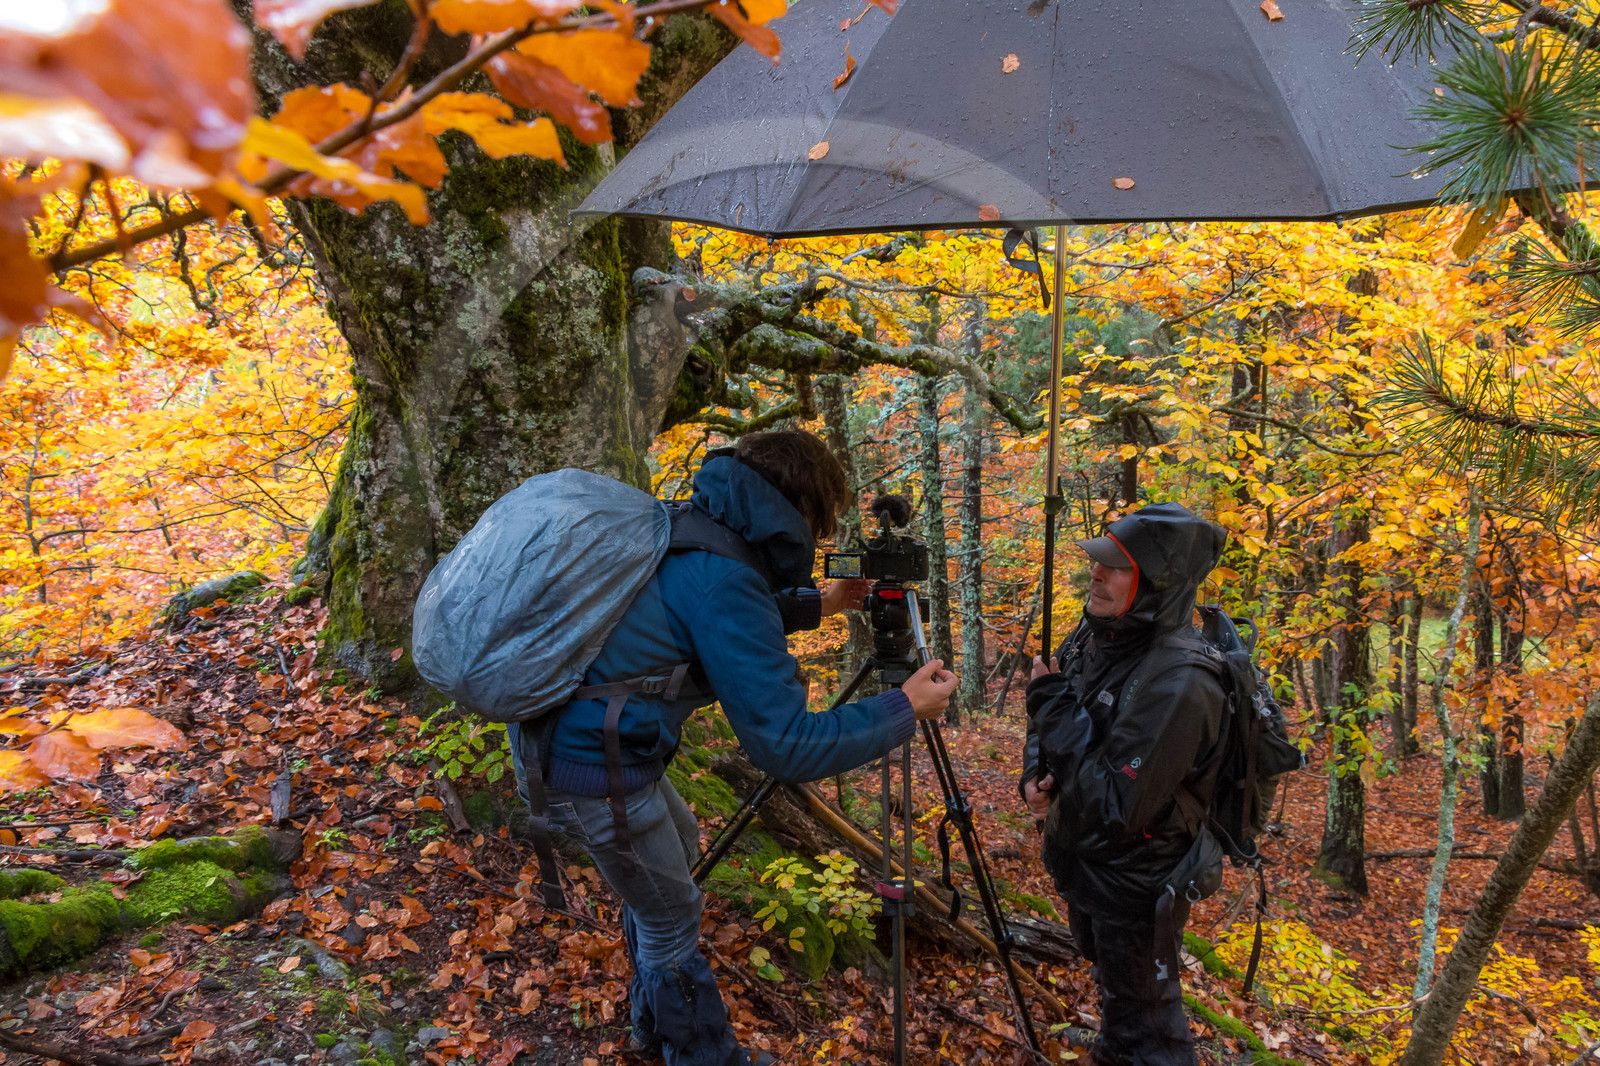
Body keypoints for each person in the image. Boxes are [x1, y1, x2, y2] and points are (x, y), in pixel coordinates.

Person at [510, 429, 957, 1066]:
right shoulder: (726, 578)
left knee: (683, 845)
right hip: (591, 764)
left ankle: (650, 1024)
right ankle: (700, 1053)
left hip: (579, 740)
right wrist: (902, 706)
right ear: (800, 510)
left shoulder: (694, 521)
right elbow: (787, 746)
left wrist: (819, 605)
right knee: (671, 914)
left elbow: (707, 606)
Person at [1019, 502, 1229, 1066]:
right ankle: (1115, 1045)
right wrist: (1031, 778)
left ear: (1156, 583)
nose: (1096, 573)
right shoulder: (1097, 637)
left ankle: (1131, 1049)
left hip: (1138, 883)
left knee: (1151, 1025)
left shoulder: (1182, 684)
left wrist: (1052, 711)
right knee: (1118, 989)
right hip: (1091, 868)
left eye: (1116, 566)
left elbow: (1112, 806)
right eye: (1099, 560)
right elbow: (1051, 719)